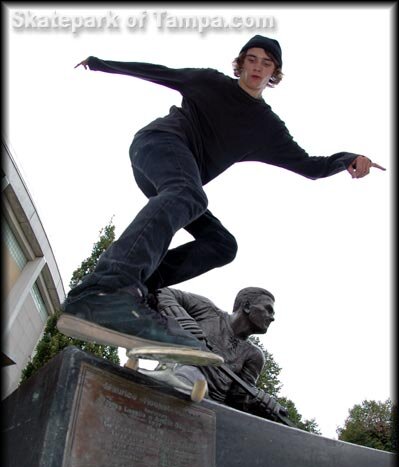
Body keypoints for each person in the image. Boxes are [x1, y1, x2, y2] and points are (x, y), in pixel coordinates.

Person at [60, 35, 385, 357]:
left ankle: (139, 291)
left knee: (221, 245)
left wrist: (348, 159)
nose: (258, 67)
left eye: (267, 63)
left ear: (274, 73)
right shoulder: (210, 82)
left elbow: (309, 166)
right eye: (252, 59)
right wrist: (101, 64)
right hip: (157, 144)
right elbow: (161, 71)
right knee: (189, 194)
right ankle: (107, 288)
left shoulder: (267, 128)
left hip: (175, 185)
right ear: (241, 63)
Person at [139, 286, 288, 421]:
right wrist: (183, 321)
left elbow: (237, 398)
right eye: (268, 309)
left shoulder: (254, 355)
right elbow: (162, 291)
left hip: (207, 410)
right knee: (189, 372)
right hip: (172, 382)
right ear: (247, 306)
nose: (272, 317)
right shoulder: (207, 311)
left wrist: (262, 403)